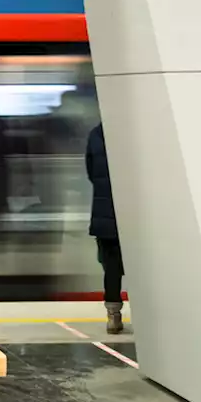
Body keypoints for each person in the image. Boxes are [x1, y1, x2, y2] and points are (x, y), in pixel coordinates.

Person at [86, 122, 125, 334]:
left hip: (104, 213)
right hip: (132, 214)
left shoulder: (96, 134)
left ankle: (113, 316)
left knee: (111, 268)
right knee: (143, 268)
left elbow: (91, 172)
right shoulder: (132, 133)